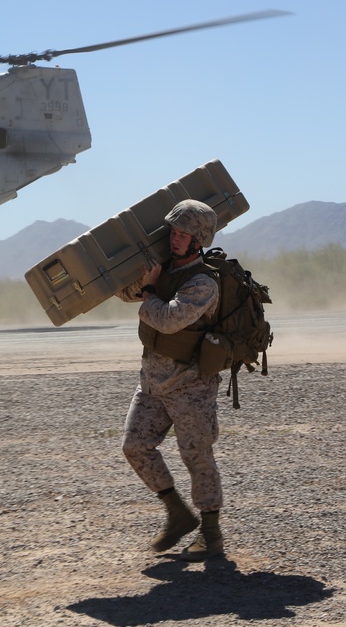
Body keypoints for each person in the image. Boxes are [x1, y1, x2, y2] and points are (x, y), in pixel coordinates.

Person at [115, 199, 224, 561]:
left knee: (196, 456)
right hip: (152, 384)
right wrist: (138, 279)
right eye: (173, 233)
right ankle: (177, 513)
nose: (175, 239)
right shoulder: (164, 272)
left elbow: (167, 320)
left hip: (190, 387)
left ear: (199, 240)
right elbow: (123, 293)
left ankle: (211, 532)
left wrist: (149, 290)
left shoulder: (203, 283)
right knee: (135, 446)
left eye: (184, 235)